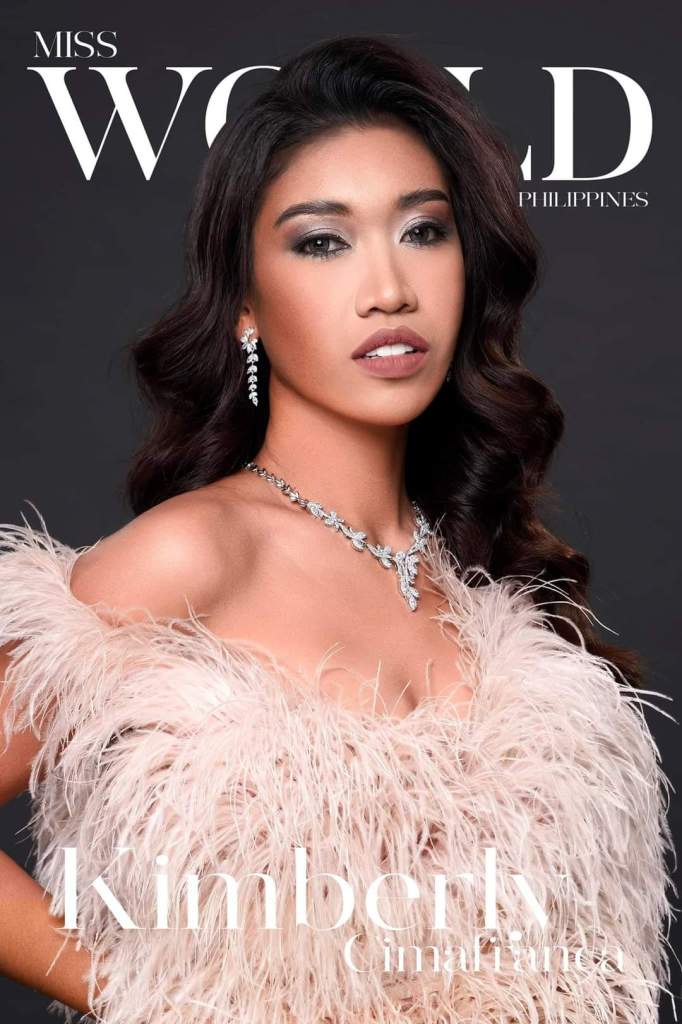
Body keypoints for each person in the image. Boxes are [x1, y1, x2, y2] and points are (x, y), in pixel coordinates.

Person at [0, 34, 675, 1024]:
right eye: (322, 241)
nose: (389, 288)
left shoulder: (491, 588)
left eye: (424, 231)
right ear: (245, 306)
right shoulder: (197, 551)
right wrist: (157, 999)